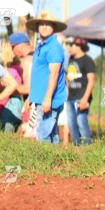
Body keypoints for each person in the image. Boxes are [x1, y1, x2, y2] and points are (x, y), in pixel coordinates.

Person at [26, 11, 68, 144]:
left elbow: (54, 74)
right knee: (51, 134)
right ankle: (55, 164)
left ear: (53, 27)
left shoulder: (54, 47)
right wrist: (31, 97)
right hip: (41, 98)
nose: (44, 27)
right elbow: (39, 75)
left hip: (50, 100)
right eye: (41, 24)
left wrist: (47, 99)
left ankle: (43, 164)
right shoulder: (41, 45)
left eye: (48, 24)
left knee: (42, 135)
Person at [65, 37, 96, 145]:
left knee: (81, 122)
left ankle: (86, 147)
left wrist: (85, 99)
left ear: (79, 46)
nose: (70, 47)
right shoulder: (70, 59)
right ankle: (76, 147)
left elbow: (91, 81)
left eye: (72, 45)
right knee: (71, 123)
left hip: (81, 97)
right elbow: (68, 77)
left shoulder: (88, 60)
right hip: (71, 97)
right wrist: (67, 91)